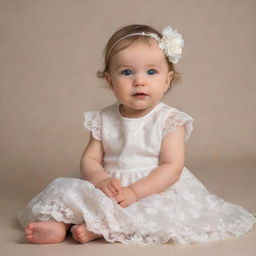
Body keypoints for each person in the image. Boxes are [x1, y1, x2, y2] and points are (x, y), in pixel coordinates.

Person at [17, 24, 255, 245]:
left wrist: (135, 192)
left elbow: (172, 167)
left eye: (151, 72)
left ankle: (97, 229)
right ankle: (58, 225)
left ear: (167, 80)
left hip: (152, 187)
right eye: (127, 72)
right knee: (71, 193)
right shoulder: (104, 118)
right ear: (110, 81)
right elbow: (89, 159)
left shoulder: (169, 120)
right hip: (111, 184)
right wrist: (100, 180)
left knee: (160, 211)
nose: (140, 81)